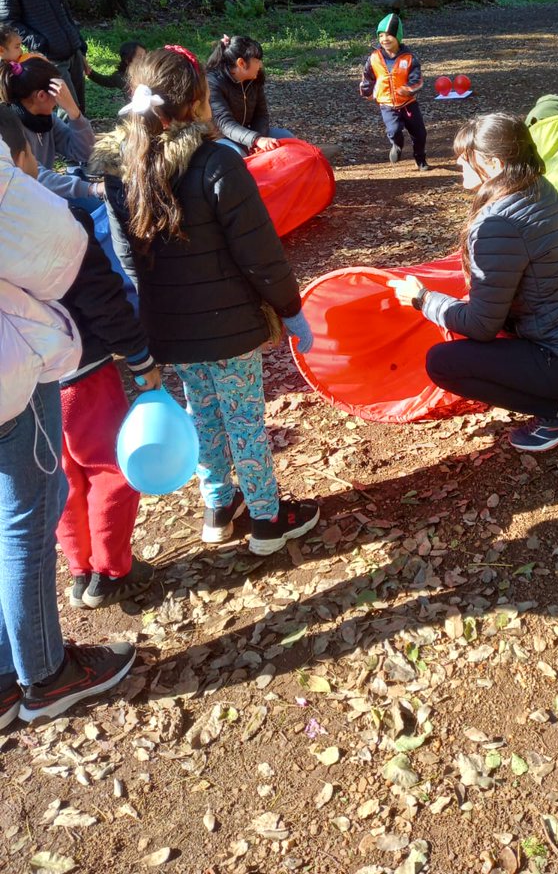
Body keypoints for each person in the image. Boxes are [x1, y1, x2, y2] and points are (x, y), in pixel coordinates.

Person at [96, 45, 320, 555]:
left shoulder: (120, 167)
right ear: (197, 99)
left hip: (171, 327)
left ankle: (219, 507)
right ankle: (267, 518)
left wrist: (149, 325)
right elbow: (259, 252)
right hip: (231, 324)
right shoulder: (215, 160)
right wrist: (290, 309)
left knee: (204, 412)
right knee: (244, 419)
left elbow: (129, 262)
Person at [0, 108, 136, 727]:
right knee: (94, 476)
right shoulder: (45, 209)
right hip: (52, 374)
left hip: (34, 375)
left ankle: (77, 572)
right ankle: (102, 578)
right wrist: (140, 354)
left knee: (46, 493)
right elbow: (87, 277)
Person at [389, 113, 558, 452]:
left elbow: (481, 325)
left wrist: (423, 300)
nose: (457, 162)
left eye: (466, 156)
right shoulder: (538, 187)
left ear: (495, 163)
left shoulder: (497, 222)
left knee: (442, 363)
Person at [0, 56, 100, 207]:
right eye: (59, 94)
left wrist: (74, 112)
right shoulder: (8, 127)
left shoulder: (47, 120)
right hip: (19, 204)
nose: (60, 99)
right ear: (41, 96)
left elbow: (84, 152)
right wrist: (92, 188)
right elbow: (35, 177)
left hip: (41, 194)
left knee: (101, 207)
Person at [360, 13, 430, 171]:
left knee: (420, 133)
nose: (385, 39)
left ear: (398, 37)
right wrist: (367, 92)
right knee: (394, 130)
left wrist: (409, 89)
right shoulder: (374, 58)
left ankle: (420, 159)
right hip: (387, 104)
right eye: (381, 35)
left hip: (408, 103)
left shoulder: (409, 58)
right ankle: (397, 145)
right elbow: (367, 76)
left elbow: (417, 79)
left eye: (389, 35)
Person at [206, 34, 292, 155]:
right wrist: (255, 140)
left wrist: (258, 140)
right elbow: (224, 123)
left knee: (287, 138)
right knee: (235, 156)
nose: (260, 65)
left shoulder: (254, 79)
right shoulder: (213, 82)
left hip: (248, 134)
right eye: (257, 61)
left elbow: (261, 115)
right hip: (220, 138)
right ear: (241, 63)